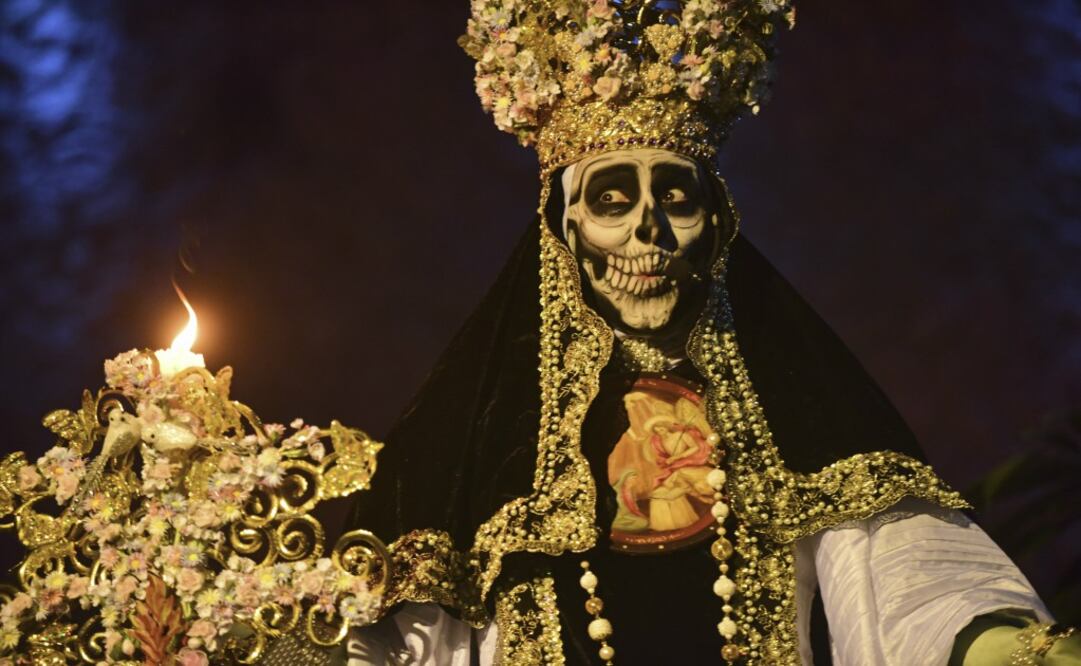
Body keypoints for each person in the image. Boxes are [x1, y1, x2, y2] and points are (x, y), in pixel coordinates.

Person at [339, 1, 1079, 664]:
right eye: (612, 201)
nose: (649, 231)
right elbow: (386, 633)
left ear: (717, 223)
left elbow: (914, 580)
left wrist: (1002, 646)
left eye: (676, 199)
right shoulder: (481, 436)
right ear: (562, 229)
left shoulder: (792, 408)